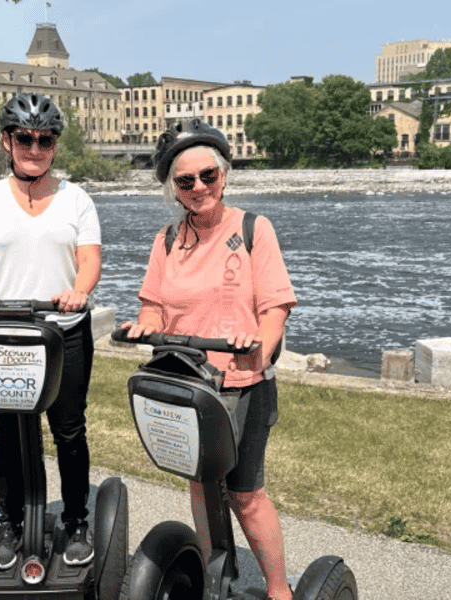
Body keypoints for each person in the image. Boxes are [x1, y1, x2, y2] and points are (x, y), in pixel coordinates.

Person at [123, 119, 297, 600]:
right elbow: (154, 305)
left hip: (242, 382)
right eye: (186, 181)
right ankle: (213, 582)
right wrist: (144, 324)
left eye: (208, 176)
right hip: (189, 383)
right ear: (173, 189)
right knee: (202, 485)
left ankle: (279, 590)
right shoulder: (165, 241)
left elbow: (276, 306)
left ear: (223, 175)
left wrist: (259, 345)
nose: (199, 187)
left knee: (245, 494)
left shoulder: (253, 229)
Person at [0, 93, 101, 570]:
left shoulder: (77, 199)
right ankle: (9, 523)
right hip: (5, 334)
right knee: (9, 432)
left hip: (64, 332)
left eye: (45, 139)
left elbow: (89, 261)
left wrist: (79, 291)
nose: (34, 147)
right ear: (7, 141)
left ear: (55, 144)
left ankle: (77, 519)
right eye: (24, 138)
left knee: (68, 430)